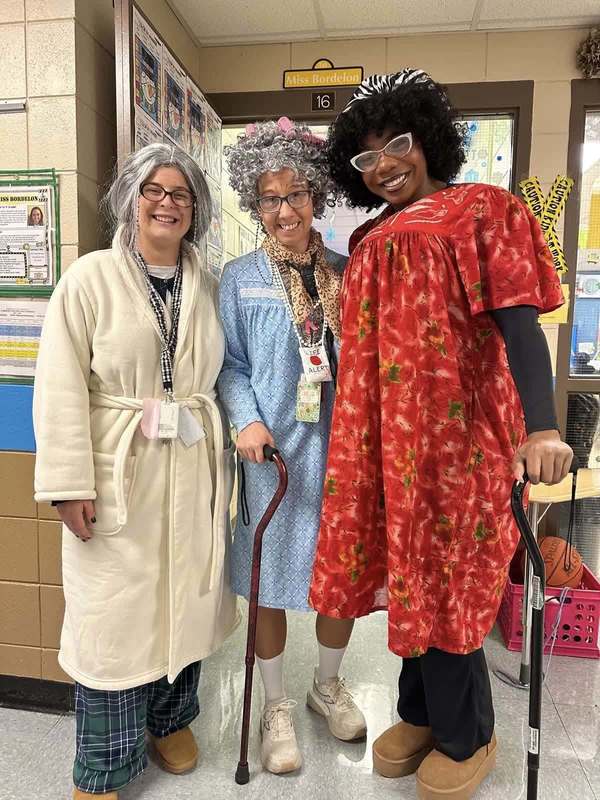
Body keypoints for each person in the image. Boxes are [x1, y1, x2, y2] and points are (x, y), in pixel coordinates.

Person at [309, 71, 574, 800]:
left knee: (452, 582)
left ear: (424, 139)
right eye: (366, 159)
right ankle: (420, 716)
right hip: (381, 445)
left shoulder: (483, 211)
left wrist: (542, 424)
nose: (385, 164)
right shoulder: (366, 238)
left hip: (459, 445)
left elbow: (520, 321)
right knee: (409, 579)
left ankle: (469, 736)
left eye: (395, 144)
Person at [33, 143, 238, 799]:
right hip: (118, 466)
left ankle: (170, 719)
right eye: (154, 189)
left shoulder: (209, 284)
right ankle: (102, 765)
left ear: (195, 210)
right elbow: (59, 385)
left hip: (193, 465)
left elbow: (231, 374)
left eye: (181, 194)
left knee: (187, 598)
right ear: (131, 198)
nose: (167, 203)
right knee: (114, 619)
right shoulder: (89, 279)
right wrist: (69, 485)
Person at [219, 117, 366, 775]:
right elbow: (229, 366)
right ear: (255, 203)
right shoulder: (239, 277)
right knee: (269, 586)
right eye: (270, 198)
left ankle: (324, 685)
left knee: (343, 583)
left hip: (340, 454)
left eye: (296, 195)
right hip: (270, 458)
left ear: (316, 196)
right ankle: (275, 706)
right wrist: (245, 420)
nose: (284, 210)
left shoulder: (347, 271)